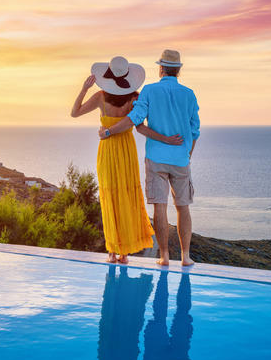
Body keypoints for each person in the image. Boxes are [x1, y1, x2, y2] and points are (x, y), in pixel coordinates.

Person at [72, 56, 182, 263]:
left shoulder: (100, 97)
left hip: (107, 149)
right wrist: (166, 139)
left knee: (109, 197)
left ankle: (112, 252)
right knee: (127, 196)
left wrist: (84, 88)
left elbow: (74, 113)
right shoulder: (134, 99)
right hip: (126, 150)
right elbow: (140, 127)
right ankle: (123, 253)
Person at [99, 50, 200, 266]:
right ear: (179, 70)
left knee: (160, 207)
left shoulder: (150, 91)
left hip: (156, 159)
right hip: (181, 159)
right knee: (183, 207)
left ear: (161, 68)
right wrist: (187, 155)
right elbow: (195, 131)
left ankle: (164, 256)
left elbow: (135, 121)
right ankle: (185, 257)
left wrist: (108, 132)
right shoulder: (189, 94)